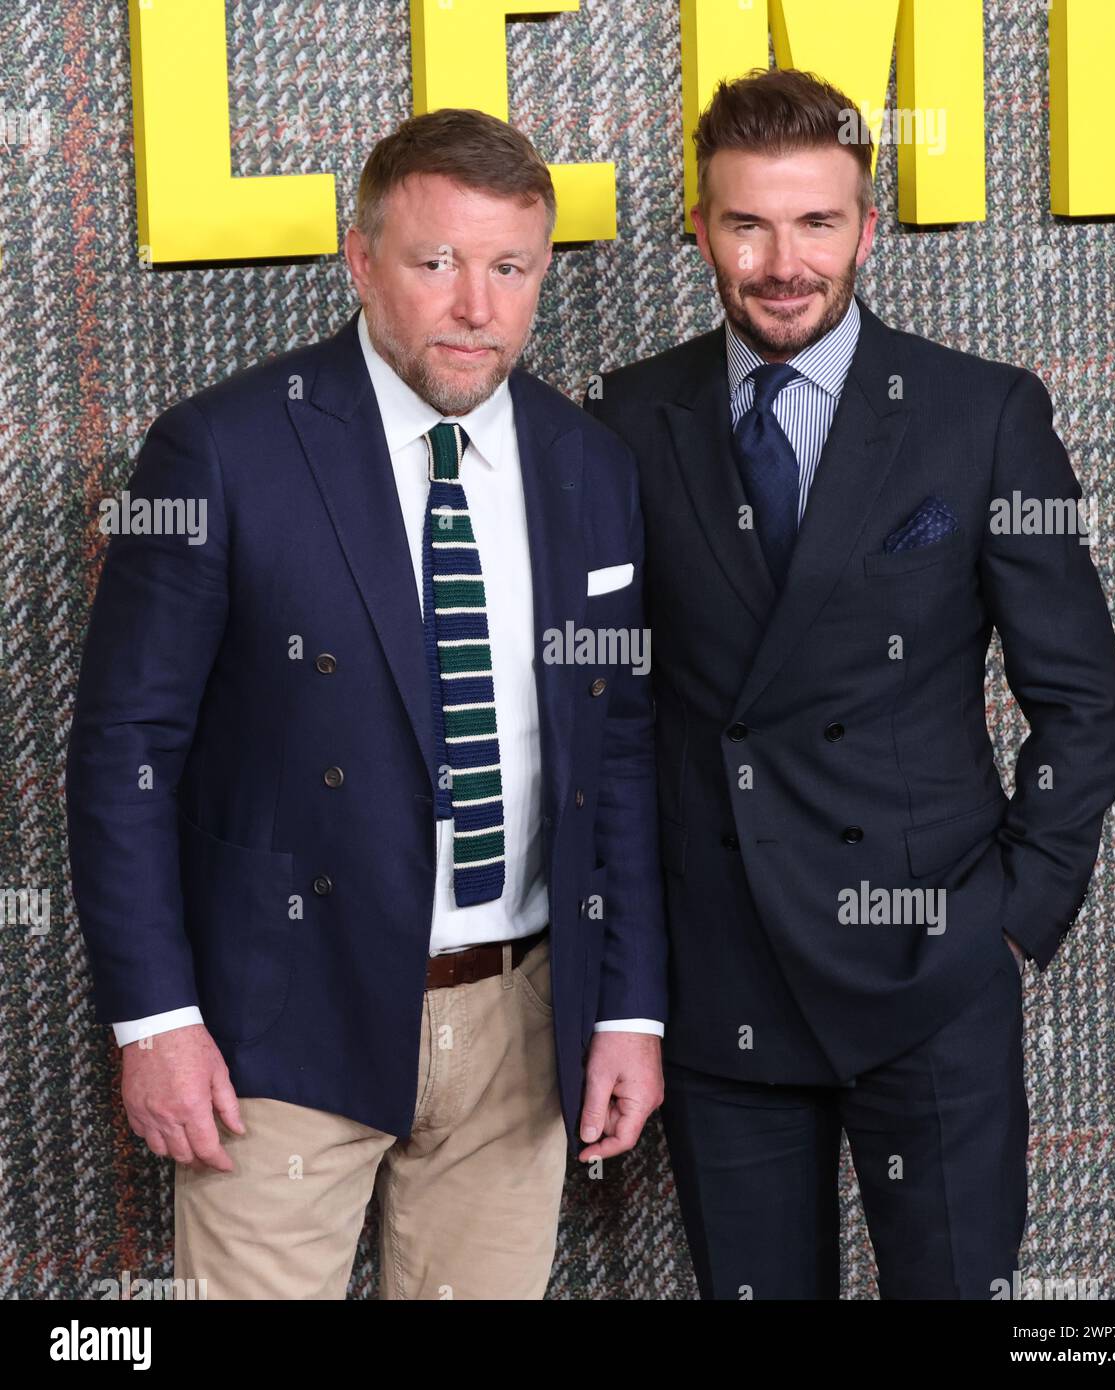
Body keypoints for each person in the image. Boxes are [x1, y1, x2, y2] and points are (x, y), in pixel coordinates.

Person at [66, 108, 667, 1301]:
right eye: (436, 262)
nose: (475, 306)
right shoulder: (221, 451)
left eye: (509, 268)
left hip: (525, 1017)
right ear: (359, 258)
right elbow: (126, 748)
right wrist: (155, 1020)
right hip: (281, 1021)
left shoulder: (585, 463)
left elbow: (625, 749)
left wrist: (633, 1009)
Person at [585, 67, 1115, 1299]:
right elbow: (606, 707)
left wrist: (1010, 919)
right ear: (701, 225)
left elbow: (1082, 692)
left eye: (817, 222)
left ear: (866, 227)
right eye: (748, 223)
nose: (784, 261)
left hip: (930, 970)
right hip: (722, 975)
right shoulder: (627, 417)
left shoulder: (978, 415)